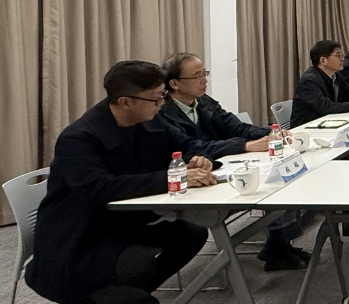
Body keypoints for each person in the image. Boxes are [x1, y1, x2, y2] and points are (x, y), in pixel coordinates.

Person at [25, 61, 217, 304]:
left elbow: (188, 144)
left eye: (162, 96)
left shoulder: (150, 120)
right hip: (82, 235)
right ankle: (105, 298)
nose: (161, 104)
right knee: (135, 265)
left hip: (126, 220)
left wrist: (198, 158)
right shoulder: (79, 138)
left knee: (191, 234)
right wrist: (173, 178)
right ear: (125, 102)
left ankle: (130, 295)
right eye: (156, 98)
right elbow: (100, 189)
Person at [156, 53, 310, 271]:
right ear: (174, 84)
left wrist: (272, 134)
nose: (204, 80)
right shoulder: (163, 114)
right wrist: (245, 145)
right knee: (270, 183)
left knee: (282, 175)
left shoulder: (205, 103)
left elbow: (237, 127)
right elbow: (193, 147)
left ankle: (279, 244)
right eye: (197, 76)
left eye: (205, 73)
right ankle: (277, 247)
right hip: (197, 179)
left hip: (224, 167)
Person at [290, 40, 349, 128]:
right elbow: (327, 107)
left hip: (328, 123)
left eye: (342, 55)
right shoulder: (309, 81)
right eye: (338, 56)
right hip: (306, 129)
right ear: (323, 60)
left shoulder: (336, 75)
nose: (343, 59)